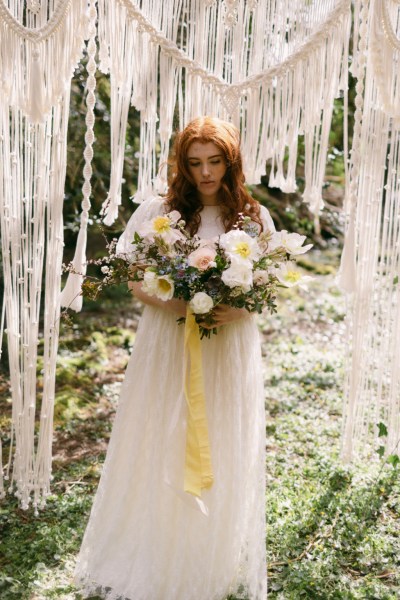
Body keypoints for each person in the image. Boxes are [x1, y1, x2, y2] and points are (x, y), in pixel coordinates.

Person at [73, 116, 275, 600]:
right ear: (182, 165)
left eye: (215, 161)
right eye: (195, 162)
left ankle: (207, 556)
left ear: (231, 162)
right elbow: (137, 280)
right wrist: (182, 302)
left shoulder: (253, 217)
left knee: (220, 436)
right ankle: (153, 549)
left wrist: (236, 309)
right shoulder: (158, 212)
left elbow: (268, 286)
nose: (206, 173)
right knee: (160, 434)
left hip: (226, 346)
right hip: (168, 340)